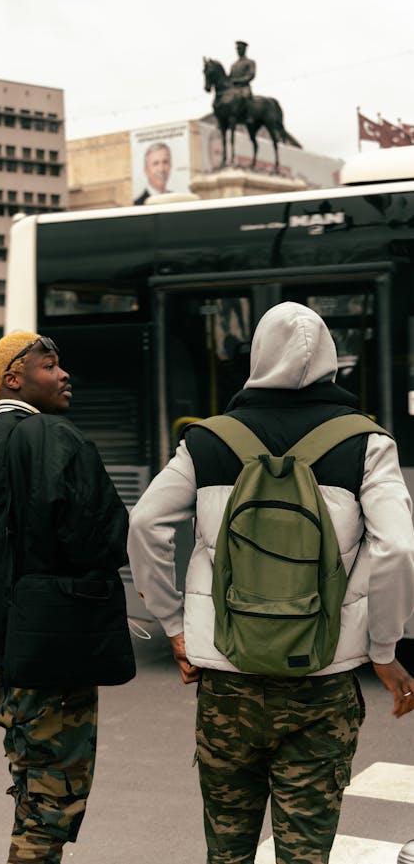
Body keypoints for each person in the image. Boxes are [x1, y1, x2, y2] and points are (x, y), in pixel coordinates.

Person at [128, 302, 414, 864]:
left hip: (228, 681)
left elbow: (144, 524)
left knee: (227, 849)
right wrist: (383, 648)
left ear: (255, 357)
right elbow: (399, 547)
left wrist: (174, 626)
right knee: (304, 853)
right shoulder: (366, 443)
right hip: (322, 680)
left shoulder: (208, 440)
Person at [0, 331, 132, 864]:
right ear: (14, 379)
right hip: (51, 648)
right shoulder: (56, 438)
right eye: (50, 366)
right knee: (54, 796)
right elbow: (103, 537)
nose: (64, 374)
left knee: (28, 769)